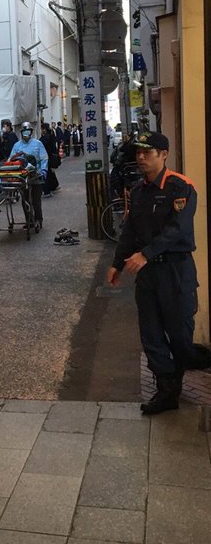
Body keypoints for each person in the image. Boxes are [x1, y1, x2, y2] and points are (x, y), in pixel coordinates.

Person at [106, 131, 211, 415]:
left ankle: (194, 359)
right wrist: (117, 263)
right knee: (151, 334)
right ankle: (167, 390)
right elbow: (129, 232)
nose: (141, 158)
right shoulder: (139, 192)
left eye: (147, 153)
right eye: (138, 153)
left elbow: (177, 229)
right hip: (149, 275)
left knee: (180, 336)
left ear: (163, 155)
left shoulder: (181, 187)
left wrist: (146, 254)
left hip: (176, 271)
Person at [9, 122, 48, 229]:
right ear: (21, 133)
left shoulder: (38, 144)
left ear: (31, 132)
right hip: (23, 177)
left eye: (28, 131)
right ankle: (29, 220)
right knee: (25, 200)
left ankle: (38, 219)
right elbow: (11, 159)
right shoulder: (17, 146)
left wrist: (44, 170)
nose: (26, 133)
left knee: (36, 200)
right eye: (24, 131)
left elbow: (44, 158)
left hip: (36, 175)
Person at [40, 122, 60, 197]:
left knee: (47, 174)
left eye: (43, 129)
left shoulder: (47, 137)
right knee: (50, 174)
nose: (42, 130)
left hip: (47, 158)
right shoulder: (50, 136)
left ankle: (47, 191)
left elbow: (42, 143)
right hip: (49, 158)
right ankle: (54, 187)